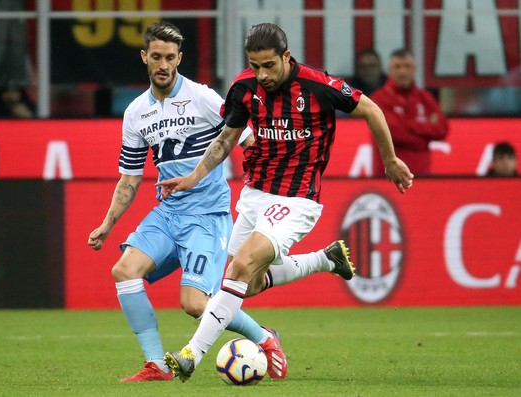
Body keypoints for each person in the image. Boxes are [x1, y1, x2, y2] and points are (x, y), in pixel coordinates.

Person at [156, 23, 414, 382]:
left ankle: (191, 355)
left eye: (269, 66)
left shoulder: (319, 86)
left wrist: (390, 160)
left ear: (286, 57)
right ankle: (325, 259)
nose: (262, 74)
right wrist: (192, 178)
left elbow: (371, 109)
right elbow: (225, 141)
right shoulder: (244, 89)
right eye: (255, 65)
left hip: (297, 198)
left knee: (242, 265)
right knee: (248, 282)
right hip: (255, 194)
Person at [87, 22, 286, 382]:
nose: (163, 65)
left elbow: (248, 139)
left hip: (206, 216)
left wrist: (263, 190)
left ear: (180, 58)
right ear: (144, 57)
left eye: (170, 58)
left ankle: (264, 337)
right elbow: (130, 179)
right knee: (123, 270)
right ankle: (156, 365)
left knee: (194, 304)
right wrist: (107, 224)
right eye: (156, 57)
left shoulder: (203, 97)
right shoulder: (135, 113)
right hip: (168, 213)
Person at [370, 48, 448, 177]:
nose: (402, 72)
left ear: (414, 69)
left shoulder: (425, 98)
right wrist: (425, 136)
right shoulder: (378, 100)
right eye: (397, 67)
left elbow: (442, 129)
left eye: (407, 66)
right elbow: (395, 134)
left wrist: (410, 125)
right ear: (389, 70)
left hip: (422, 177)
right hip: (389, 177)